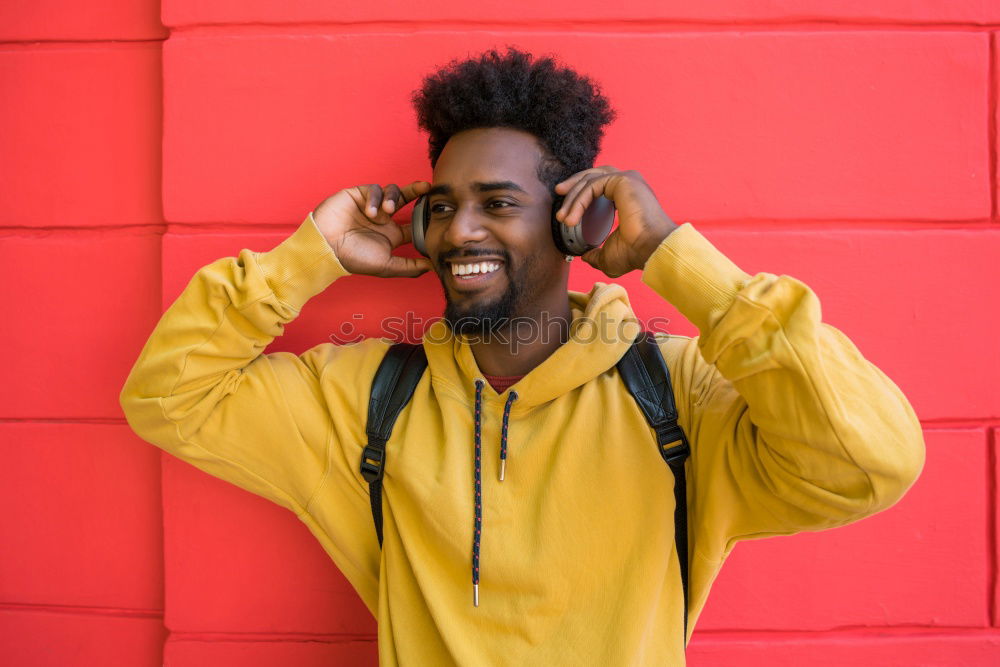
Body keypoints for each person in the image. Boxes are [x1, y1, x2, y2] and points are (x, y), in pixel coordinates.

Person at [120, 48, 925, 665]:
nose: (460, 230)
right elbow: (167, 396)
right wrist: (310, 257)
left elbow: (871, 462)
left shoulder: (678, 392)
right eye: (442, 206)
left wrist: (677, 257)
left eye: (498, 204)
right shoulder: (366, 395)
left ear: (575, 222)